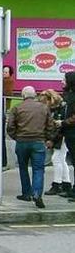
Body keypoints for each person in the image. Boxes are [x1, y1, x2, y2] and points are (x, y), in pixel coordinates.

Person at [7, 86, 56, 208]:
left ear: (23, 96)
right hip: (38, 142)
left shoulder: (17, 108)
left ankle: (26, 193)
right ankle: (37, 194)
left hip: (22, 141)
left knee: (23, 168)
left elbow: (10, 127)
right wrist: (49, 139)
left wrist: (16, 137)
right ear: (34, 95)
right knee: (38, 169)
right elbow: (50, 125)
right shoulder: (44, 108)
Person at [42, 90, 69, 196]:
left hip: (61, 136)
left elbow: (58, 126)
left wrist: (51, 140)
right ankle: (66, 183)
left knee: (57, 159)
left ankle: (57, 184)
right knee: (61, 159)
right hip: (62, 135)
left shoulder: (59, 109)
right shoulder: (60, 107)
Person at [58, 72, 75, 201]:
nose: (61, 82)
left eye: (64, 79)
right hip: (69, 133)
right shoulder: (67, 95)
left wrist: (64, 122)